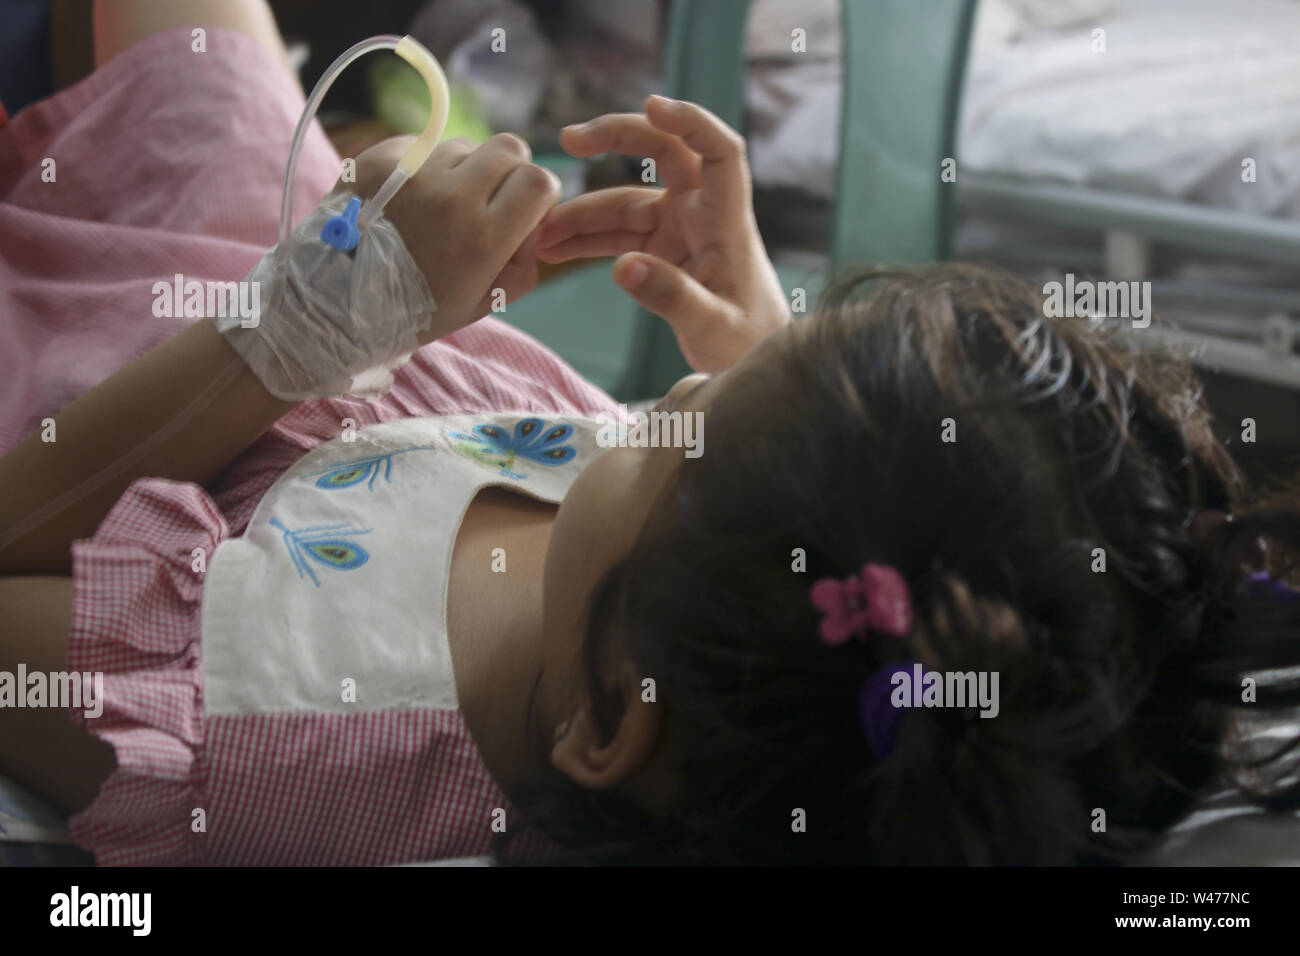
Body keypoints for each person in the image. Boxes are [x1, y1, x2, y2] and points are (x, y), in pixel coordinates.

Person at [1, 0, 1297, 866]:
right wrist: (748, 340)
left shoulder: (282, 702)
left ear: (613, 721)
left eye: (697, 412)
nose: (681, 397)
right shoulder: (668, 609)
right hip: (257, 300)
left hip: (93, 395)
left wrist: (304, 327)